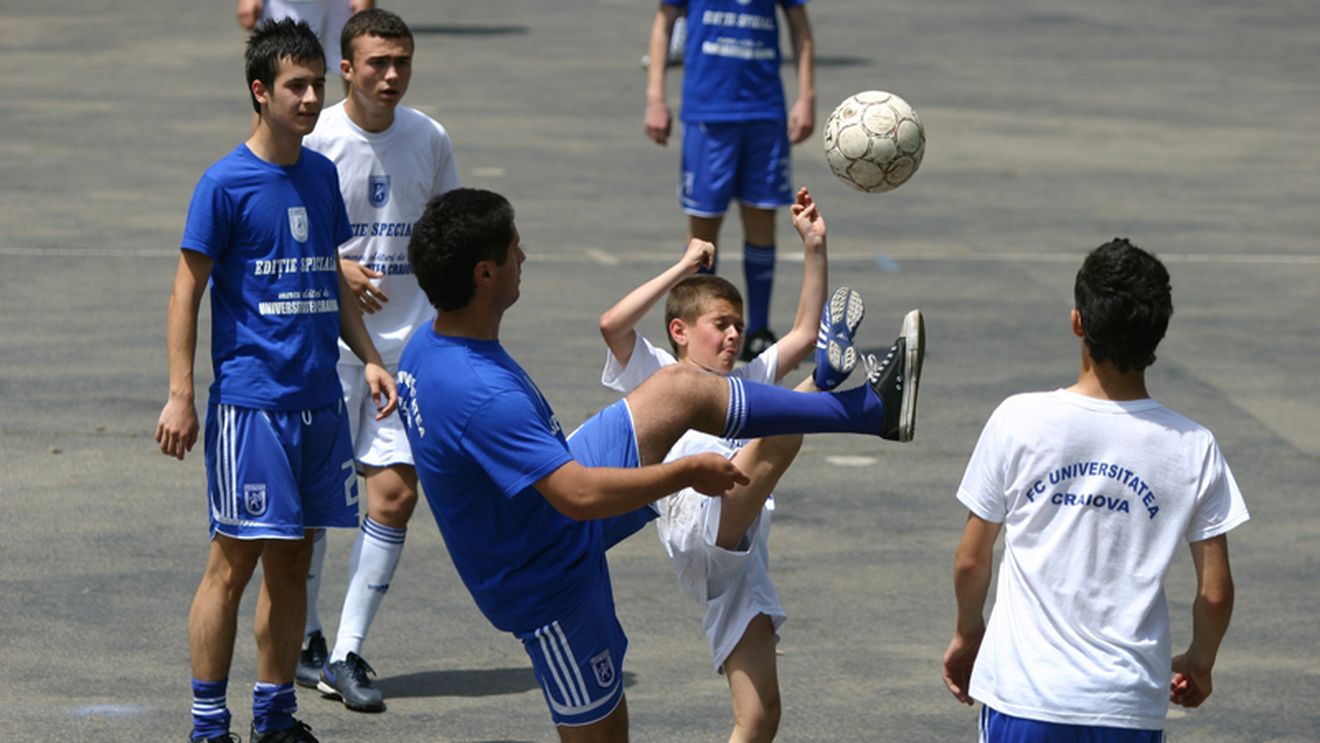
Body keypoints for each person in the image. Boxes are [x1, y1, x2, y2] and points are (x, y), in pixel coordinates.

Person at [395, 187, 923, 741]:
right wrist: (686, 472)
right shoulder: (480, 392)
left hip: (556, 486)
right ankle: (866, 408)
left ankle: (871, 411)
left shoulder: (427, 346)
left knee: (680, 387)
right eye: (514, 249)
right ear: (484, 274)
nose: (523, 256)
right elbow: (578, 497)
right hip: (545, 571)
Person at [153, 19, 397, 743]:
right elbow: (185, 291)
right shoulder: (223, 183)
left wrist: (369, 354)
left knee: (294, 563)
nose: (311, 98)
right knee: (232, 565)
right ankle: (207, 726)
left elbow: (329, 275)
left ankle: (276, 717)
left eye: (317, 85)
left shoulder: (320, 175)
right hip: (253, 407)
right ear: (260, 92)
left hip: (319, 403)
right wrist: (181, 394)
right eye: (296, 86)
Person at [598, 187, 916, 741]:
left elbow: (804, 333)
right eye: (720, 324)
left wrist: (814, 245)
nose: (733, 335)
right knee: (780, 431)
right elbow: (612, 325)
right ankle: (855, 397)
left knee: (761, 715)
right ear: (679, 331)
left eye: (738, 327)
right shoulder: (657, 374)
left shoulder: (745, 382)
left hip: (739, 558)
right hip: (697, 515)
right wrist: (682, 267)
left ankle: (829, 381)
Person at [941, 239, 1249, 741]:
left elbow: (971, 561)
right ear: (1158, 332)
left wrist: (968, 631)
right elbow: (1215, 593)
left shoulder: (1018, 420)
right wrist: (1201, 660)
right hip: (1128, 703)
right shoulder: (1193, 445)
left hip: (1027, 694)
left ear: (1078, 322)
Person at [294, 7, 460, 714]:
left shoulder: (429, 138)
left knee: (394, 494)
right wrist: (337, 267)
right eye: (378, 64)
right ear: (346, 69)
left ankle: (346, 652)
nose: (392, 76)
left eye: (402, 63)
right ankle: (304, 635)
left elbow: (448, 234)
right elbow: (286, 233)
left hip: (407, 349)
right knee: (314, 506)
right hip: (328, 349)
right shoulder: (316, 139)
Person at [644, 0, 817, 361]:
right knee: (703, 232)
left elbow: (800, 28)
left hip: (764, 111)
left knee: (762, 220)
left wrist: (806, 97)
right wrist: (655, 97)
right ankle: (698, 330)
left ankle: (759, 331)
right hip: (708, 113)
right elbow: (664, 23)